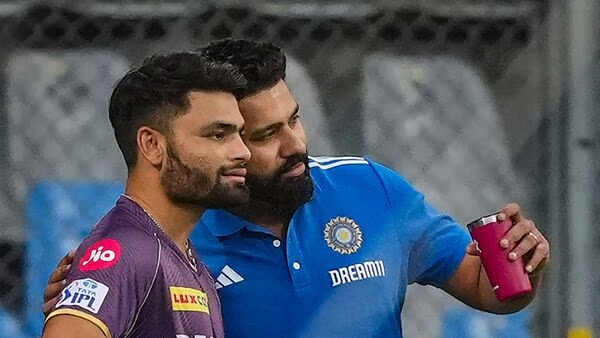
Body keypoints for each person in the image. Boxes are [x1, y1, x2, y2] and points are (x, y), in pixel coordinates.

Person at [44, 39, 550, 337]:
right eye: (264, 135)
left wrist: (518, 263)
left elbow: (486, 286)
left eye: (296, 119)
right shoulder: (173, 238)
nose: (295, 145)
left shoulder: (369, 187)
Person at [42, 51, 251, 338]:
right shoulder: (127, 251)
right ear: (152, 145)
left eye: (240, 134)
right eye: (218, 135)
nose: (243, 151)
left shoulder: (182, 256)